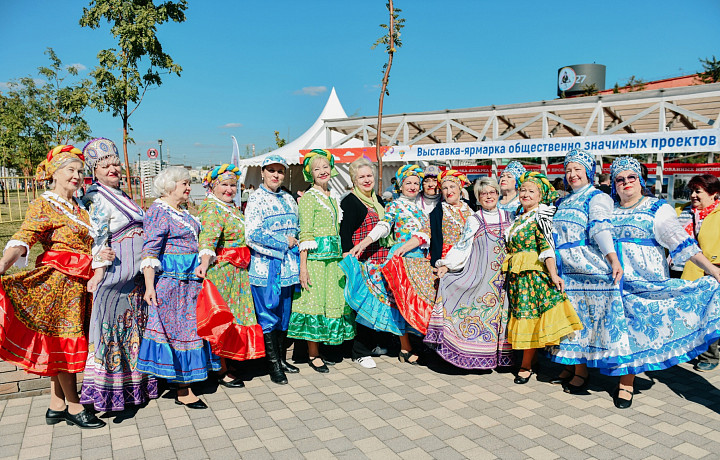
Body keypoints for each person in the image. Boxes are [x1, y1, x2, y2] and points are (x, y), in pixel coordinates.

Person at [0, 145, 111, 428]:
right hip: (57, 284)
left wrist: (100, 257)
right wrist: (1, 267)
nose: (77, 176)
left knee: (62, 342)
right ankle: (75, 407)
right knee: (65, 342)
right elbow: (24, 236)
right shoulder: (44, 204)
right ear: (54, 174)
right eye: (70, 170)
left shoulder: (81, 207)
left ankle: (56, 404)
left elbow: (93, 244)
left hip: (78, 285)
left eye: (80, 171)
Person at [606, 157, 720, 408]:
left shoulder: (656, 208)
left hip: (646, 281)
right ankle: (619, 376)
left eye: (631, 177)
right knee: (619, 330)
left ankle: (627, 383)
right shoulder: (607, 210)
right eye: (620, 179)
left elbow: (682, 243)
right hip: (614, 281)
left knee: (636, 331)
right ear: (614, 184)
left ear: (640, 180)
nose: (626, 183)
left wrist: (713, 270)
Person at [78, 138, 158, 413]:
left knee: (132, 331)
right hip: (114, 277)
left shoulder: (122, 195)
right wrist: (99, 269)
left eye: (115, 164)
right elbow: (97, 235)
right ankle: (103, 395)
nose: (113, 169)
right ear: (95, 171)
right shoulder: (95, 197)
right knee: (108, 333)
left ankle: (132, 390)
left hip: (133, 278)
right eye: (106, 166)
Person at [138, 167, 220, 409]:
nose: (188, 188)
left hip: (189, 284)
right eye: (184, 183)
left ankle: (190, 380)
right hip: (172, 284)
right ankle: (183, 389)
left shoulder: (182, 211)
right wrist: (149, 286)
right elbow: (150, 251)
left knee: (190, 332)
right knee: (178, 335)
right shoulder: (158, 211)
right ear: (169, 185)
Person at [545, 149, 624, 394]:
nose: (572, 175)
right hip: (564, 269)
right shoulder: (562, 201)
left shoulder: (596, 198)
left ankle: (583, 371)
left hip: (587, 269)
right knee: (570, 321)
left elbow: (601, 228)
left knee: (586, 322)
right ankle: (573, 365)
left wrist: (613, 259)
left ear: (589, 172)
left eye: (577, 170)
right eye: (568, 170)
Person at [350, 165, 438, 364]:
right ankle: (405, 348)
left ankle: (419, 344)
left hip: (420, 261)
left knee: (421, 304)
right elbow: (383, 226)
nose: (413, 186)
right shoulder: (394, 206)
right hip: (400, 259)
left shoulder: (423, 208)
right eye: (409, 183)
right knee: (399, 304)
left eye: (416, 183)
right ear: (400, 185)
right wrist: (364, 243)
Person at [502, 171, 583, 385]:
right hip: (517, 276)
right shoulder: (519, 216)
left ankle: (526, 365)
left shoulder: (541, 215)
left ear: (540, 196)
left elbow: (547, 246)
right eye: (523, 190)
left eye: (531, 191)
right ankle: (533, 360)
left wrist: (553, 273)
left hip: (533, 275)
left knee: (530, 318)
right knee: (526, 316)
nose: (525, 194)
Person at [427, 177, 514, 369]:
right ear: (478, 198)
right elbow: (463, 246)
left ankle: (504, 360)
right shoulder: (474, 220)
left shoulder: (510, 218)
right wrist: (446, 265)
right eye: (483, 194)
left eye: (492, 192)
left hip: (505, 278)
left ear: (498, 194)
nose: (488, 196)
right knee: (481, 315)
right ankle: (479, 358)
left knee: (503, 317)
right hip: (482, 278)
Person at [195, 164, 265, 389]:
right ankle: (220, 368)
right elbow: (207, 240)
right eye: (224, 185)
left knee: (236, 317)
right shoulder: (212, 209)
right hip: (223, 272)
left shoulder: (230, 208)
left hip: (237, 273)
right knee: (224, 319)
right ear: (213, 186)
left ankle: (229, 360)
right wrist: (205, 263)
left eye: (233, 185)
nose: (229, 189)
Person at [290, 149, 355, 373]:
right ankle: (313, 354)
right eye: (316, 169)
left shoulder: (333, 196)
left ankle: (327, 349)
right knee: (314, 305)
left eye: (325, 167)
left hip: (334, 260)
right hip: (317, 261)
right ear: (310, 174)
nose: (322, 171)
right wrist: (303, 268)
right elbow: (305, 234)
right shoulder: (308, 199)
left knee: (330, 304)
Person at [245, 155, 301, 385]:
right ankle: (273, 364)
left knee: (284, 315)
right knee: (268, 315)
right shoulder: (256, 199)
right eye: (271, 170)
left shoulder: (288, 198)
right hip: (265, 267)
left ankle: (282, 358)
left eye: (280, 171)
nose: (276, 175)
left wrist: (294, 240)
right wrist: (282, 241)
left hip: (288, 267)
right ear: (263, 173)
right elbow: (252, 233)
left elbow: (296, 228)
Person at [339, 158, 395, 369]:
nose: (366, 180)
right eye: (361, 177)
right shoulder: (350, 201)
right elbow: (344, 233)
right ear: (354, 179)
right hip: (361, 262)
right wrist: (348, 260)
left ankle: (372, 344)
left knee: (378, 304)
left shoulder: (377, 200)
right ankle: (359, 351)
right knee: (363, 307)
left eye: (369, 175)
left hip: (379, 260)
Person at [674, 175, 720, 371]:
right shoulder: (681, 211)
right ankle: (687, 348)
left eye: (698, 191)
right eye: (691, 191)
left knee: (709, 314)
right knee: (688, 314)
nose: (693, 195)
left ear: (714, 194)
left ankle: (710, 356)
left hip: (711, 271)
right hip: (681, 269)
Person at [429, 170, 473, 267]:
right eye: (445, 188)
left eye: (452, 186)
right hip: (447, 260)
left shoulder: (471, 208)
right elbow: (426, 231)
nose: (449, 192)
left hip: (470, 258)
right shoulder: (439, 211)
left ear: (460, 188)